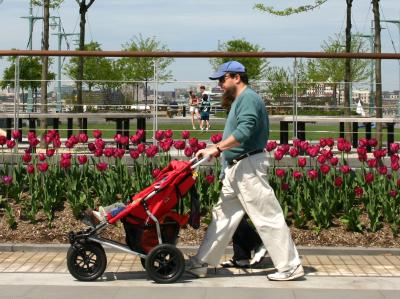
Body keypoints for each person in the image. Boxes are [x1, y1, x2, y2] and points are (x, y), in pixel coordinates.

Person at [186, 61, 304, 281]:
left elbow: (245, 130)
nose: (220, 84)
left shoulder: (248, 98)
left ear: (236, 77)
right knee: (222, 216)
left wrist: (217, 148)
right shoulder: (241, 100)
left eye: (223, 79)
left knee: (267, 216)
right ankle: (200, 263)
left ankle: (290, 266)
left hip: (248, 166)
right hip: (238, 167)